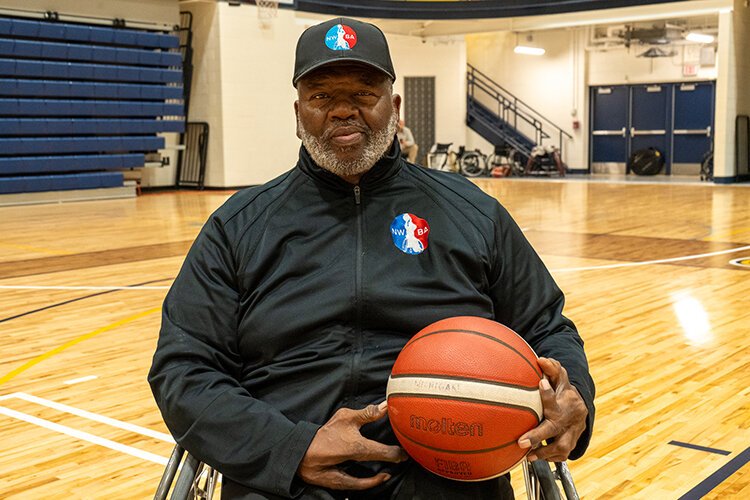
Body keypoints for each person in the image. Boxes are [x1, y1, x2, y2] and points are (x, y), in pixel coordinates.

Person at [149, 17, 595, 500]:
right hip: (285, 473)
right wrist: (290, 448)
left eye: (364, 94)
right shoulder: (238, 226)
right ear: (298, 112)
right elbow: (184, 367)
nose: (344, 111)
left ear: (394, 107)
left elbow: (547, 325)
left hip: (450, 470)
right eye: (321, 96)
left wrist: (574, 397)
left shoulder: (473, 213)